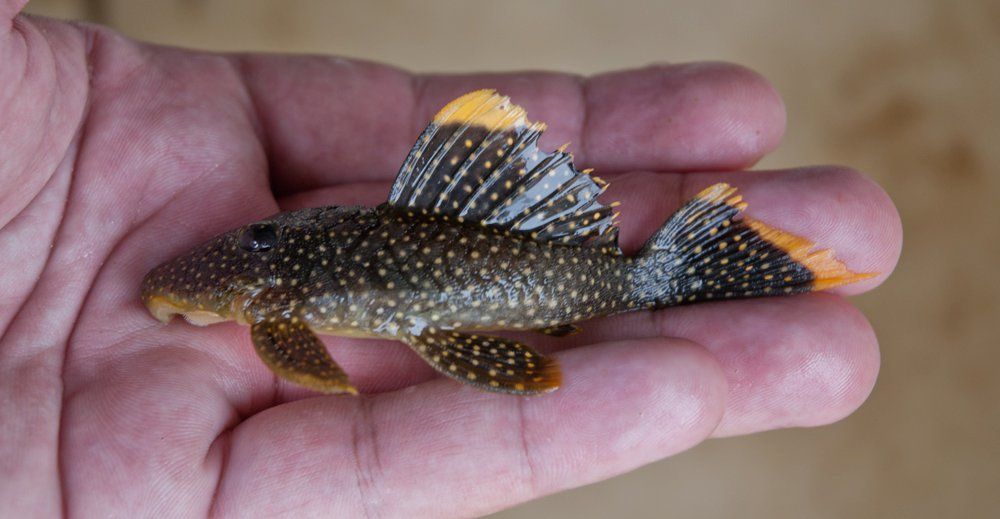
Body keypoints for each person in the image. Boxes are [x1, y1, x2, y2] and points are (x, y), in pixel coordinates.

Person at [0, 4, 901, 517]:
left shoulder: (271, 291)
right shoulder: (265, 278)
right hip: (572, 269)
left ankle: (715, 270)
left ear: (251, 289)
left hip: (578, 272)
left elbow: (299, 350)